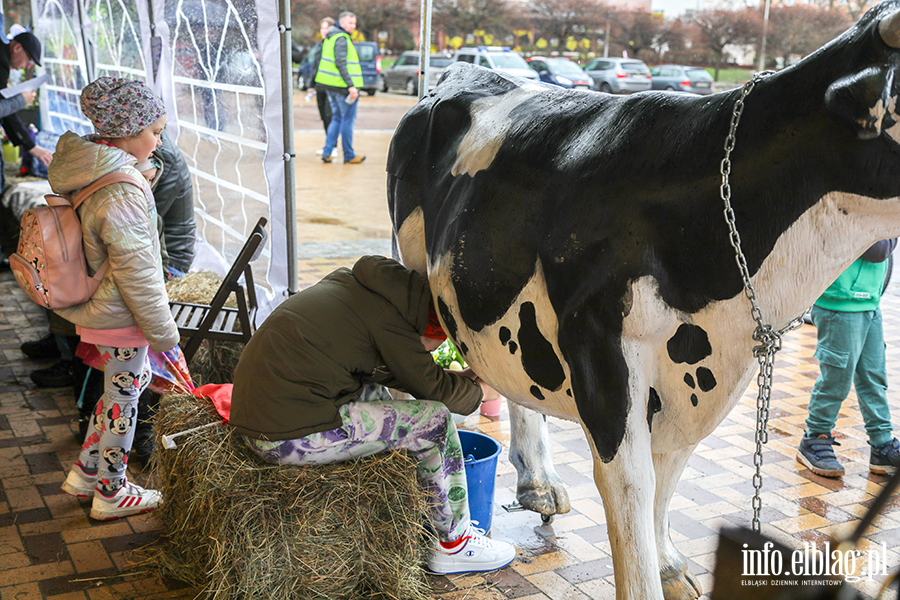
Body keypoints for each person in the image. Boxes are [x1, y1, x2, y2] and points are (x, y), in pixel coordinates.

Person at [230, 255, 516, 574]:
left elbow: (394, 370)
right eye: (435, 346)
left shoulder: (360, 289)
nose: (432, 352)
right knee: (434, 422)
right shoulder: (393, 326)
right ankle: (456, 544)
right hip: (283, 435)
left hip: (264, 413)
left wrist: (460, 381)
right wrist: (484, 391)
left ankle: (431, 506)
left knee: (380, 397)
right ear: (431, 329)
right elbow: (436, 393)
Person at [54, 77, 179, 520]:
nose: (159, 141)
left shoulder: (97, 170)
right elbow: (138, 271)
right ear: (127, 131)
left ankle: (87, 470)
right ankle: (112, 491)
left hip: (103, 308)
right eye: (156, 131)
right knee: (126, 400)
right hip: (121, 314)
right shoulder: (121, 189)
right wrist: (165, 334)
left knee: (124, 388)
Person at [797, 239, 900, 478]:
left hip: (869, 301)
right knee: (836, 379)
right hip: (840, 302)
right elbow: (879, 250)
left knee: (873, 376)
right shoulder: (861, 207)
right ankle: (815, 438)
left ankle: (881, 444)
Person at [314, 11, 365, 164]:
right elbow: (340, 63)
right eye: (350, 23)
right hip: (342, 87)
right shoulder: (342, 38)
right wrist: (351, 86)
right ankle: (349, 155)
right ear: (341, 23)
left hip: (330, 86)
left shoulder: (331, 37)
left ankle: (327, 152)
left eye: (354, 23)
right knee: (347, 120)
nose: (353, 26)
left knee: (336, 119)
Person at [308, 17, 335, 158]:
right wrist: (311, 85)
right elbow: (315, 67)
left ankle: (332, 147)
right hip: (319, 86)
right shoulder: (320, 45)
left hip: (331, 86)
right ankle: (329, 145)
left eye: (327, 28)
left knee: (330, 116)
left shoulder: (334, 44)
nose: (324, 31)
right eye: (322, 28)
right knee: (324, 117)